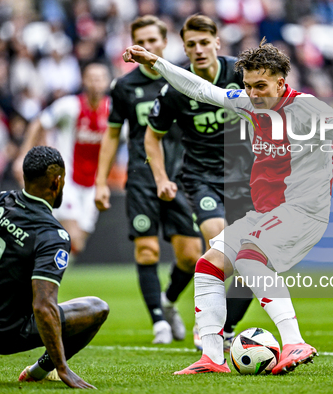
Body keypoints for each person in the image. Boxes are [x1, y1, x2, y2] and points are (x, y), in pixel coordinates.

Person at [122, 40, 333, 375]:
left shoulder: (307, 109)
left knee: (248, 258)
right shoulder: (248, 103)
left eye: (261, 86)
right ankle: (213, 357)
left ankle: (294, 342)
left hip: (303, 211)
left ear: (281, 81)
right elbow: (201, 89)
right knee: (208, 266)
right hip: (265, 212)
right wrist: (157, 61)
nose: (253, 93)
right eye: (247, 86)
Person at [0, 146, 109, 388]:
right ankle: (41, 370)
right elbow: (43, 306)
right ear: (57, 182)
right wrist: (62, 367)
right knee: (98, 308)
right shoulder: (53, 236)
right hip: (4, 332)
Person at [143, 14, 256, 350]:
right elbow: (153, 138)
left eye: (205, 42)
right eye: (191, 44)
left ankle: (227, 326)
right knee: (218, 242)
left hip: (245, 178)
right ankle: (206, 325)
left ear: (217, 43)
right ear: (185, 49)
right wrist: (161, 178)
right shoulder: (176, 87)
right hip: (201, 177)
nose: (199, 49)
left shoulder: (240, 74)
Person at [94, 15, 202, 344]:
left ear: (164, 42)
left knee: (191, 255)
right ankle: (158, 322)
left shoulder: (184, 79)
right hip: (141, 178)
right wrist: (101, 181)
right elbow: (112, 135)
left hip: (179, 176)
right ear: (134, 45)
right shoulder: (124, 86)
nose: (150, 46)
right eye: (143, 40)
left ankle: (168, 302)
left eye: (154, 40)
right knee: (146, 251)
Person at [14, 63, 111, 259]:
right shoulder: (69, 106)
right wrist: (23, 156)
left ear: (107, 81)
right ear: (84, 80)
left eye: (100, 78)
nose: (96, 82)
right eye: (92, 77)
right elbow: (39, 123)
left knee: (78, 243)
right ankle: (38, 270)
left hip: (94, 184)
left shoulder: (113, 110)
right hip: (67, 181)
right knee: (72, 236)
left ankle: (42, 266)